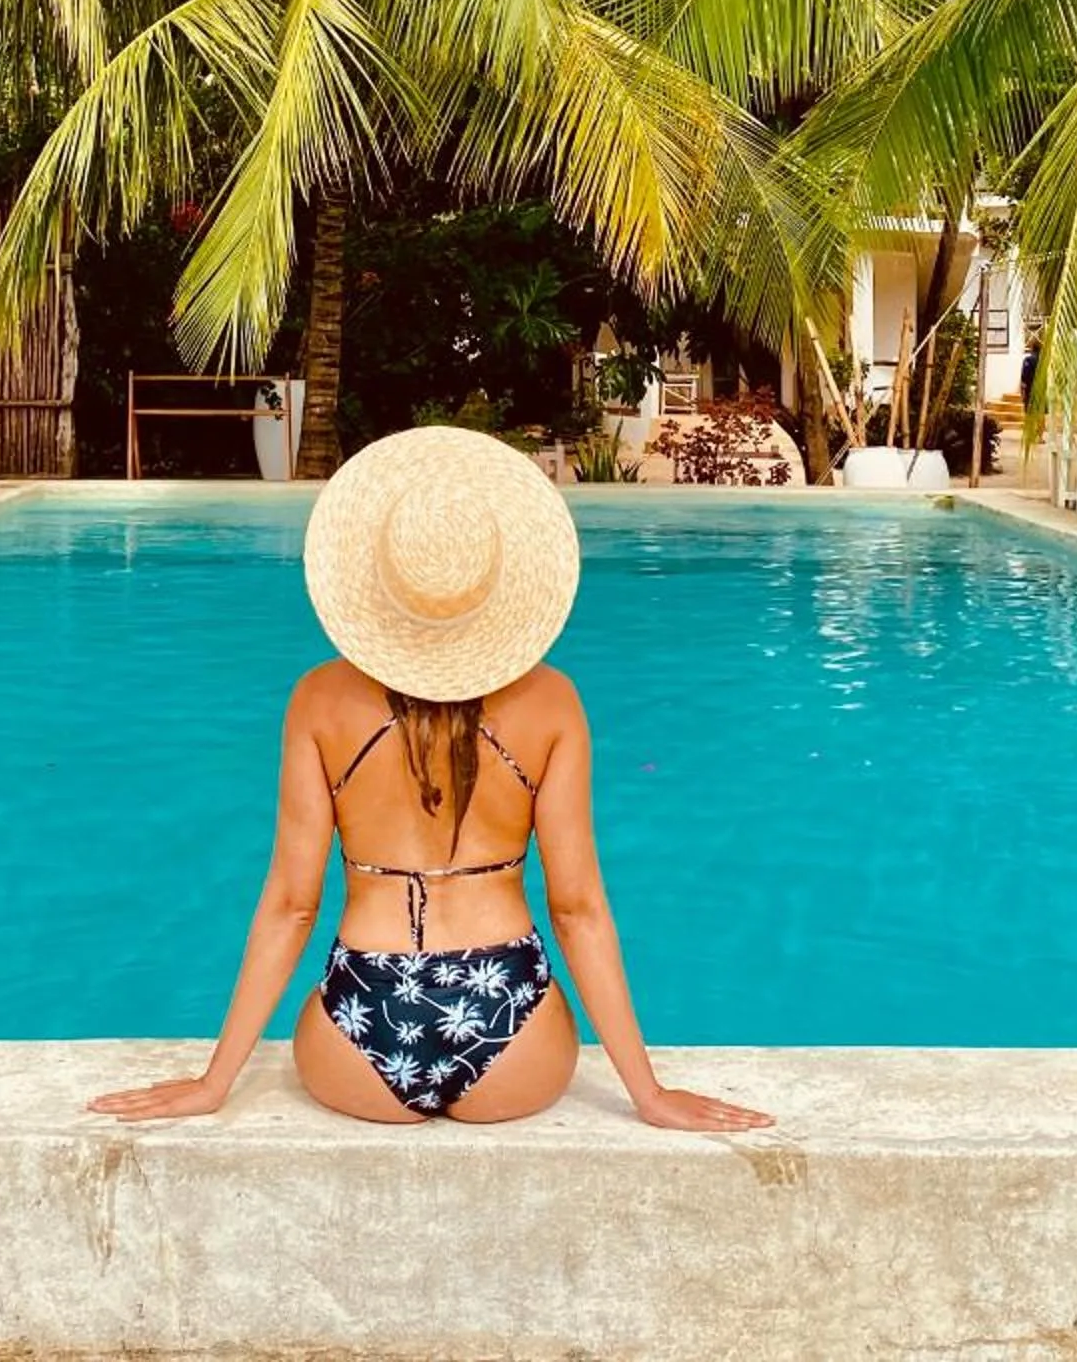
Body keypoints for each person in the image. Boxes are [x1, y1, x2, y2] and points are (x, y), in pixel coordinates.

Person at [89, 425, 770, 1133]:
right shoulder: (552, 703)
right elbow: (577, 910)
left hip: (361, 1019)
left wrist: (214, 1082)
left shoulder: (319, 701)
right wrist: (648, 1094)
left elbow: (292, 905)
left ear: (376, 584)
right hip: (514, 1025)